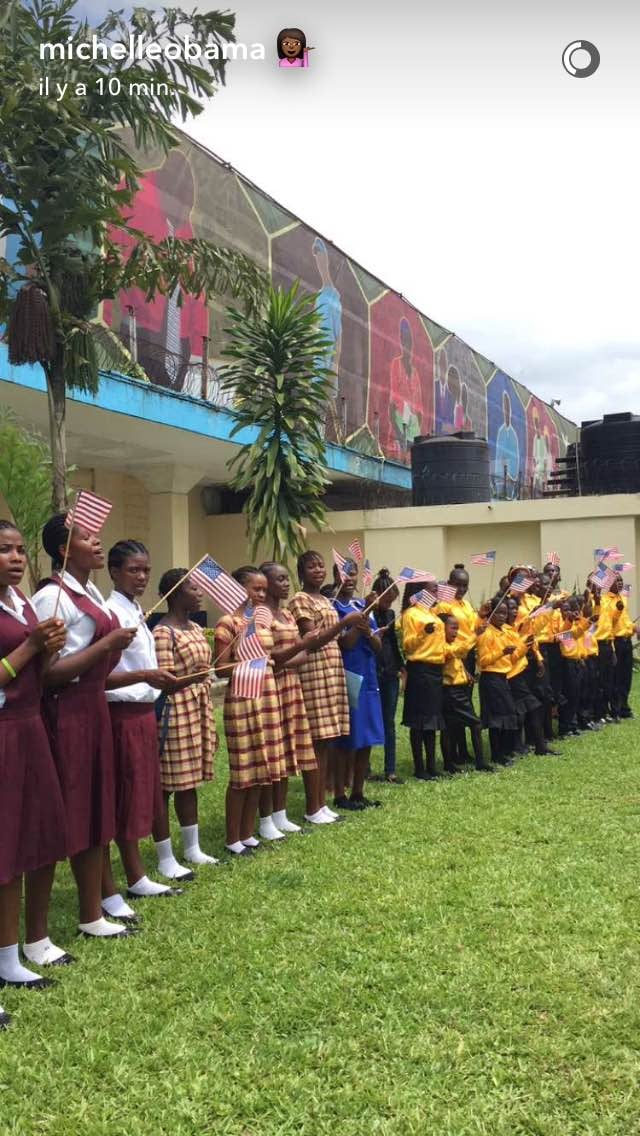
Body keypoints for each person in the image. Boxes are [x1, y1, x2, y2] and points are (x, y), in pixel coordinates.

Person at [33, 514, 138, 940]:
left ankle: (93, 908)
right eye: (88, 538)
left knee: (98, 803)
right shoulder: (53, 600)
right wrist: (107, 645)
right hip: (69, 709)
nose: (98, 544)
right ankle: (82, 912)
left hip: (94, 704)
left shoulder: (88, 590)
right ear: (63, 550)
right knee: (76, 806)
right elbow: (49, 673)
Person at [0, 521, 69, 1022]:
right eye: (4, 551)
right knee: (4, 844)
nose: (16, 558)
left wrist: (50, 652)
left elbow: (34, 676)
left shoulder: (21, 603)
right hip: (3, 730)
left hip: (30, 725)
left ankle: (17, 952)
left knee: (36, 836)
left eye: (21, 550)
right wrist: (29, 649)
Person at [102, 541, 183, 915]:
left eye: (146, 570)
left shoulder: (135, 610)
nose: (142, 577)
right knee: (125, 793)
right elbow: (103, 675)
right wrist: (147, 676)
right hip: (122, 714)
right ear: (114, 572)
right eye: (134, 570)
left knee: (142, 793)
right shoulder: (110, 613)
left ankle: (136, 875)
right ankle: (125, 880)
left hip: (144, 711)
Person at [214, 567, 288, 854]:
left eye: (262, 589)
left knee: (261, 767)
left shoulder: (261, 619)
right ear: (238, 588)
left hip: (267, 696)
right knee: (243, 772)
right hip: (243, 699)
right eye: (255, 589)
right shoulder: (228, 622)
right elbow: (220, 666)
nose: (261, 594)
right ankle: (233, 837)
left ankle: (247, 834)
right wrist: (252, 662)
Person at [289, 551, 365, 825]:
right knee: (317, 743)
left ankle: (321, 803)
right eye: (311, 566)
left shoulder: (324, 598)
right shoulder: (301, 599)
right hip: (314, 672)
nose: (318, 570)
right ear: (301, 571)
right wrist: (344, 623)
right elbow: (313, 639)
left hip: (332, 673)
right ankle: (312, 806)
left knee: (328, 742)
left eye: (321, 565)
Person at [152, 569, 218, 877]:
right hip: (174, 710)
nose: (200, 592)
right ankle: (165, 856)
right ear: (176, 593)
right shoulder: (163, 633)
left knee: (189, 782)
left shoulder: (193, 626)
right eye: (194, 588)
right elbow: (164, 680)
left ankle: (192, 848)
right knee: (167, 784)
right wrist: (197, 677)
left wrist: (203, 678)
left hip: (197, 706)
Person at [259, 562, 321, 833]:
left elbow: (302, 655)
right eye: (280, 579)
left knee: (288, 750)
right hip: (272, 687)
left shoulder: (285, 614)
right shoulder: (262, 617)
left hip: (292, 684)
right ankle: (267, 816)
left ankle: (280, 812)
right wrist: (300, 647)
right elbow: (269, 659)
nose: (286, 584)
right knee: (272, 752)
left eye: (287, 579)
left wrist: (296, 652)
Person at [332, 564, 385, 809]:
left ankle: (358, 791)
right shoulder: (333, 606)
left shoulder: (360, 606)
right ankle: (340, 794)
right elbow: (346, 644)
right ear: (335, 577)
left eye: (352, 573)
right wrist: (361, 621)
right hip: (349, 676)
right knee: (348, 737)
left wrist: (366, 619)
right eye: (343, 574)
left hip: (370, 677)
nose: (349, 578)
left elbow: (377, 646)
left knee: (367, 737)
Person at [400, 580, 446, 779]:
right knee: (419, 721)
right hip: (420, 669)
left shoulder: (432, 612)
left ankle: (431, 765)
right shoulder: (411, 614)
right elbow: (408, 645)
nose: (437, 590)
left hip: (436, 669)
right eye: (432, 588)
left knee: (432, 720)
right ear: (421, 592)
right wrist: (422, 633)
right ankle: (419, 767)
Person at [440, 613, 493, 772]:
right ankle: (480, 763)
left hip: (458, 690)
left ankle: (449, 764)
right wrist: (475, 634)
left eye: (457, 628)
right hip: (451, 691)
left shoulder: (452, 643)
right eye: (453, 628)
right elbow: (458, 651)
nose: (456, 631)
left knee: (450, 727)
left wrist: (466, 673)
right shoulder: (441, 645)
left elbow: (459, 657)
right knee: (475, 724)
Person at [437, 563, 480, 759]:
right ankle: (453, 752)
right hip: (454, 656)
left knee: (466, 703)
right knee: (455, 708)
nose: (461, 589)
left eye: (465, 585)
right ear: (449, 584)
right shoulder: (445, 605)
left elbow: (473, 628)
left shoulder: (466, 605)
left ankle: (462, 749)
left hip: (468, 655)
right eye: (458, 585)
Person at [370, 569, 405, 783]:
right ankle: (364, 768)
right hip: (372, 671)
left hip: (390, 671)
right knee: (370, 719)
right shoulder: (368, 612)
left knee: (389, 722)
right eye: (387, 600)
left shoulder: (391, 615)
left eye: (393, 600)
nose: (390, 604)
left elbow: (392, 643)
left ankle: (390, 769)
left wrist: (401, 667)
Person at [476, 597, 519, 767]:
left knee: (506, 715)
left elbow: (514, 657)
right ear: (491, 613)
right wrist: (502, 652)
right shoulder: (487, 633)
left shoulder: (504, 632)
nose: (502, 616)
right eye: (499, 612)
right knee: (496, 718)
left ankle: (503, 751)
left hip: (503, 677)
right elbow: (484, 661)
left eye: (505, 613)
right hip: (491, 678)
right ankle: (496, 754)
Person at [611, 575, 635, 720]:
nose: (620, 583)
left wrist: (634, 627)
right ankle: (616, 710)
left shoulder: (624, 598)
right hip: (616, 641)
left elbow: (625, 619)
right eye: (616, 581)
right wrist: (618, 610)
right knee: (616, 677)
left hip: (627, 640)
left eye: (621, 580)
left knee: (627, 677)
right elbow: (610, 623)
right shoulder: (606, 600)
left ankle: (625, 707)